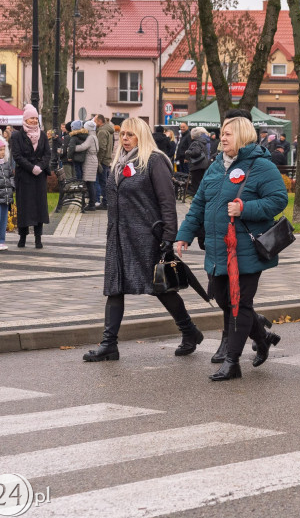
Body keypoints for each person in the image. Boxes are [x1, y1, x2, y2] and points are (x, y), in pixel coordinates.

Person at [175, 116, 287, 380]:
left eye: (228, 134)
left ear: (244, 136)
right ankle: (262, 336)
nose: (222, 138)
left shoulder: (261, 166)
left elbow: (279, 199)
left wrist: (245, 208)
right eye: (222, 134)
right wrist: (184, 235)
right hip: (217, 249)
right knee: (225, 301)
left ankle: (232, 362)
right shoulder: (215, 166)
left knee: (239, 303)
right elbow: (199, 205)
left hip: (246, 249)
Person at [85, 117, 205, 362]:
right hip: (118, 236)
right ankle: (109, 344)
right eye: (123, 135)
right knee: (114, 288)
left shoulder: (154, 159)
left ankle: (189, 331)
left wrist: (169, 236)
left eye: (131, 134)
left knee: (160, 288)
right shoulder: (117, 163)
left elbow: (166, 201)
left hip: (147, 236)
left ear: (141, 135)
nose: (125, 139)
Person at [11, 104, 51, 249]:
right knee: (24, 206)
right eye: (31, 118)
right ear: (25, 119)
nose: (33, 121)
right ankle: (22, 236)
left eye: (35, 118)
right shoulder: (16, 135)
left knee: (39, 206)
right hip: (24, 176)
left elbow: (47, 154)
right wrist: (31, 167)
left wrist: (40, 167)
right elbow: (16, 155)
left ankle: (38, 238)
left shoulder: (43, 135)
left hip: (39, 176)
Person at [186, 126, 213, 196]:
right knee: (201, 183)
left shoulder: (196, 142)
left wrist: (188, 152)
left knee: (196, 185)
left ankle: (197, 200)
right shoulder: (204, 141)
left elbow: (196, 152)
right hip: (204, 164)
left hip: (197, 166)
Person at [95, 114, 114, 209]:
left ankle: (105, 202)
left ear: (99, 121)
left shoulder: (102, 131)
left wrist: (98, 161)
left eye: (95, 121)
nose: (94, 123)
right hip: (107, 159)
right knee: (105, 182)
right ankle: (107, 201)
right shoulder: (109, 130)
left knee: (102, 182)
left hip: (103, 161)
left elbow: (102, 147)